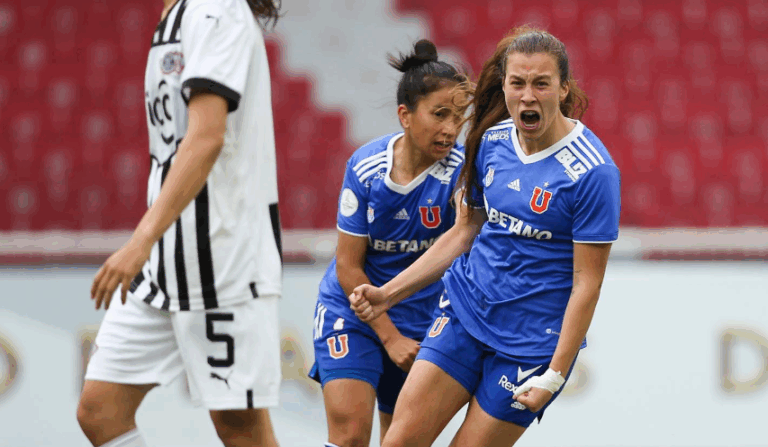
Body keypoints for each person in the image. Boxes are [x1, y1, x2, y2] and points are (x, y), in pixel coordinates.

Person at [349, 27, 621, 447]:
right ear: (505, 86)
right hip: (464, 314)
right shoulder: (492, 141)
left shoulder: (592, 171)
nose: (527, 96)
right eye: (518, 83)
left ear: (563, 89)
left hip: (529, 346)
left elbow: (588, 283)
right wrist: (389, 294)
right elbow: (465, 230)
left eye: (541, 83)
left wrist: (555, 373)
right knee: (398, 442)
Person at [77, 1, 283, 446]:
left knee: (239, 428)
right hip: (167, 261)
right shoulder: (176, 15)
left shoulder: (218, 10)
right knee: (99, 409)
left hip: (222, 259)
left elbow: (207, 137)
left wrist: (140, 240)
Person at [309, 40, 469, 447]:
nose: (451, 128)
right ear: (405, 115)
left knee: (399, 440)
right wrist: (389, 335)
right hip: (354, 310)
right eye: (439, 114)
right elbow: (348, 267)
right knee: (348, 436)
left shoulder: (462, 172)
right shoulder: (366, 168)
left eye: (459, 116)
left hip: (422, 321)